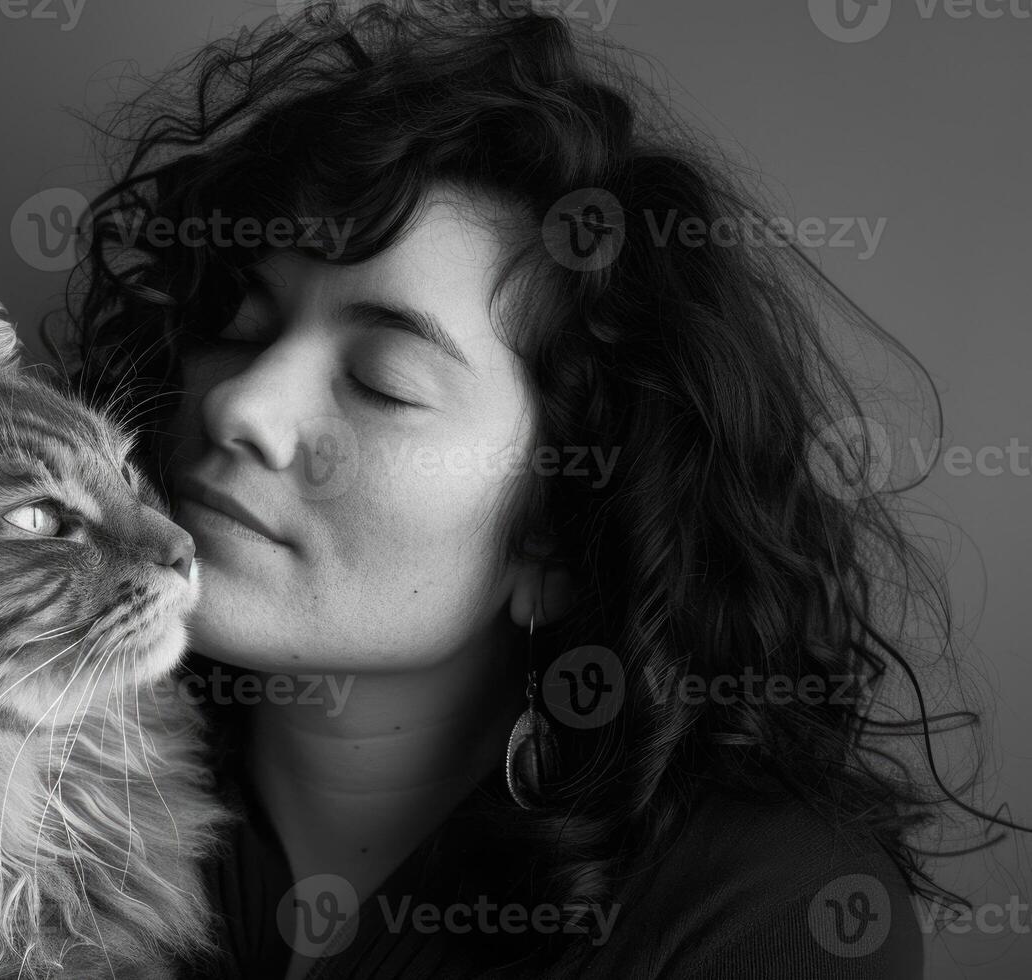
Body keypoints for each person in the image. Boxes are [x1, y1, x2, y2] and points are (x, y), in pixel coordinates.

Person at [60, 2, 1021, 977]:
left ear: (553, 536)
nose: (237, 401)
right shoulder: (17, 769)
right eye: (238, 318)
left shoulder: (755, 907)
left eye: (381, 380)